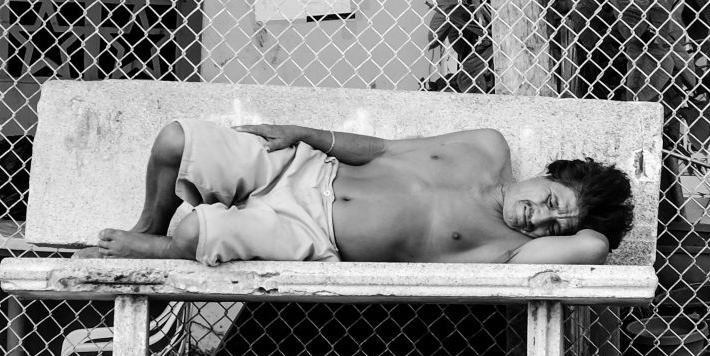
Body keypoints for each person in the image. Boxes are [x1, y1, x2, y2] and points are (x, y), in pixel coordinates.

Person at [77, 119, 634, 267]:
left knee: (196, 233)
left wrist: (582, 223)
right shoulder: (487, 146)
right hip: (304, 168)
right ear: (549, 174)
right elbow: (385, 149)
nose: (538, 219)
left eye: (553, 227)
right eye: (552, 202)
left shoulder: (507, 250)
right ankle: (149, 226)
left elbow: (593, 246)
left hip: (308, 233)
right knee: (175, 141)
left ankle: (160, 248)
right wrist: (305, 134)